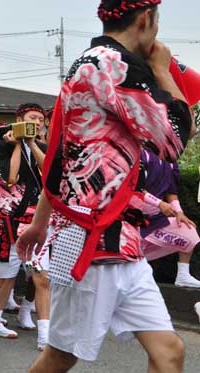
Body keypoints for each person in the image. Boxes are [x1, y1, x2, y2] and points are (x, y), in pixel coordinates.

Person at [17, 1, 194, 372]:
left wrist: (39, 222)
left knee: (169, 350)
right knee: (61, 356)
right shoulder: (113, 65)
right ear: (146, 19)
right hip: (92, 239)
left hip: (120, 239)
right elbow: (174, 139)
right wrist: (163, 71)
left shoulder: (89, 63)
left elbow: (59, 158)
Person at [0, 103, 50, 349]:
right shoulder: (0, 145)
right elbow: (10, 178)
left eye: (41, 119)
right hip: (10, 220)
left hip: (37, 221)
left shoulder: (39, 145)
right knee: (0, 280)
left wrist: (30, 144)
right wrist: (18, 144)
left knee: (42, 278)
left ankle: (45, 336)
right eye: (32, 118)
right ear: (19, 119)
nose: (38, 122)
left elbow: (49, 172)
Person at [140, 148, 200, 287]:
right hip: (132, 219)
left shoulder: (171, 161)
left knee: (187, 229)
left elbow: (171, 192)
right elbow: (134, 187)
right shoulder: (141, 154)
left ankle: (183, 275)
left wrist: (179, 212)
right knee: (130, 259)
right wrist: (159, 203)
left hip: (156, 219)